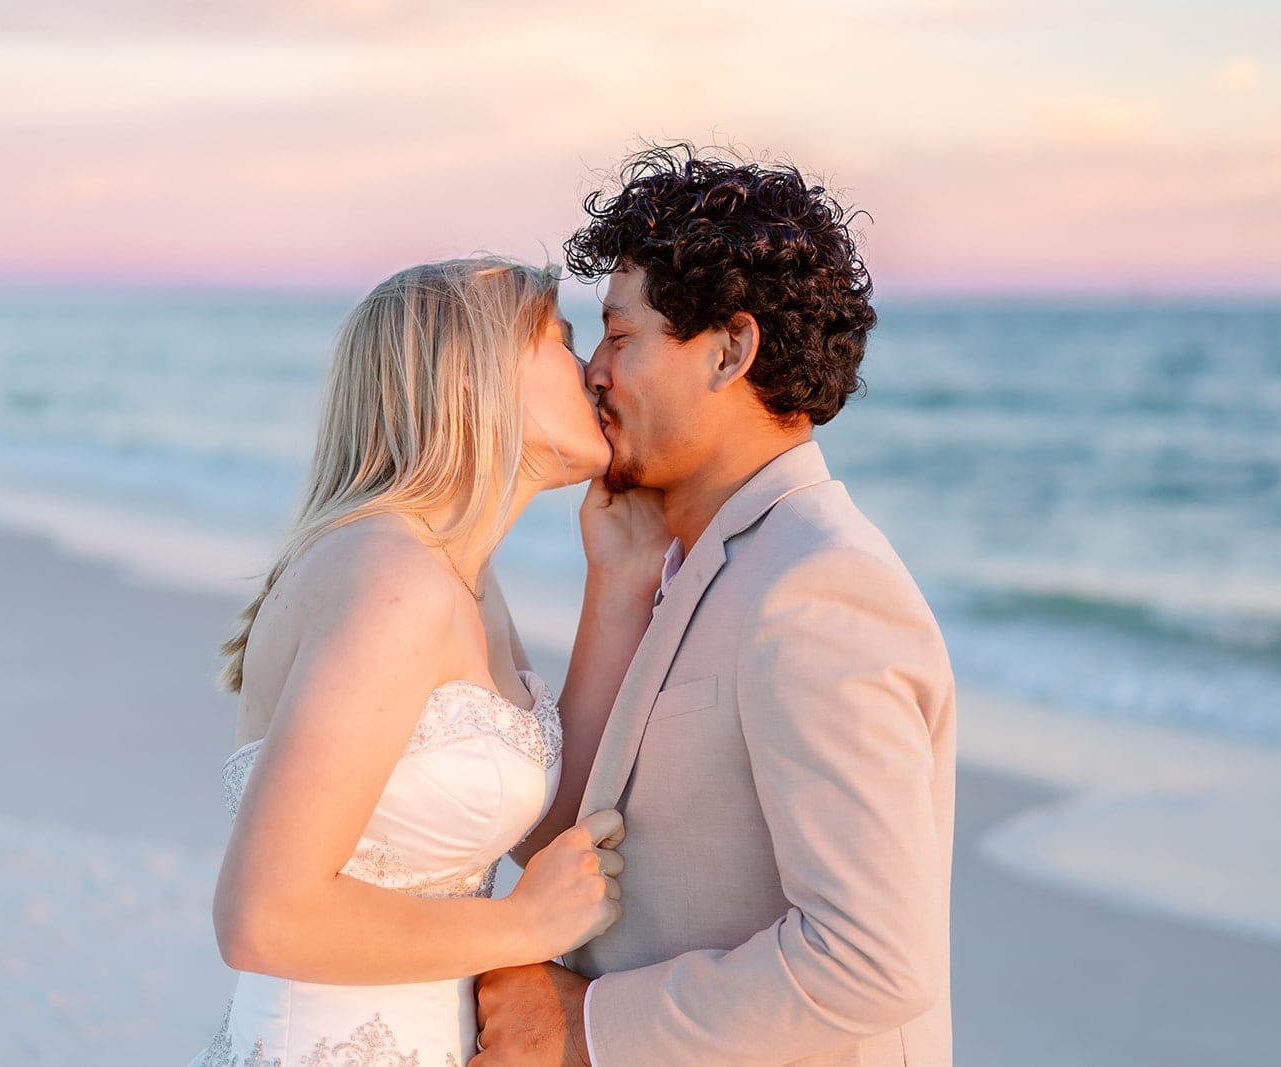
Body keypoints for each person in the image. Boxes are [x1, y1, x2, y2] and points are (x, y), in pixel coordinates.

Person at [473, 147, 957, 1066]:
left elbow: (873, 959)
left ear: (731, 350)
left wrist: (585, 1025)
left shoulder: (818, 587)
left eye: (620, 336)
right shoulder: (698, 560)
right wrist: (615, 585)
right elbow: (577, 827)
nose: (595, 373)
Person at [189, 258, 670, 1067]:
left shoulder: (457, 578)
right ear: (472, 377)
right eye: (558, 338)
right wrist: (525, 926)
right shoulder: (393, 582)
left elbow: (543, 827)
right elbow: (261, 917)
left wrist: (617, 583)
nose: (592, 370)